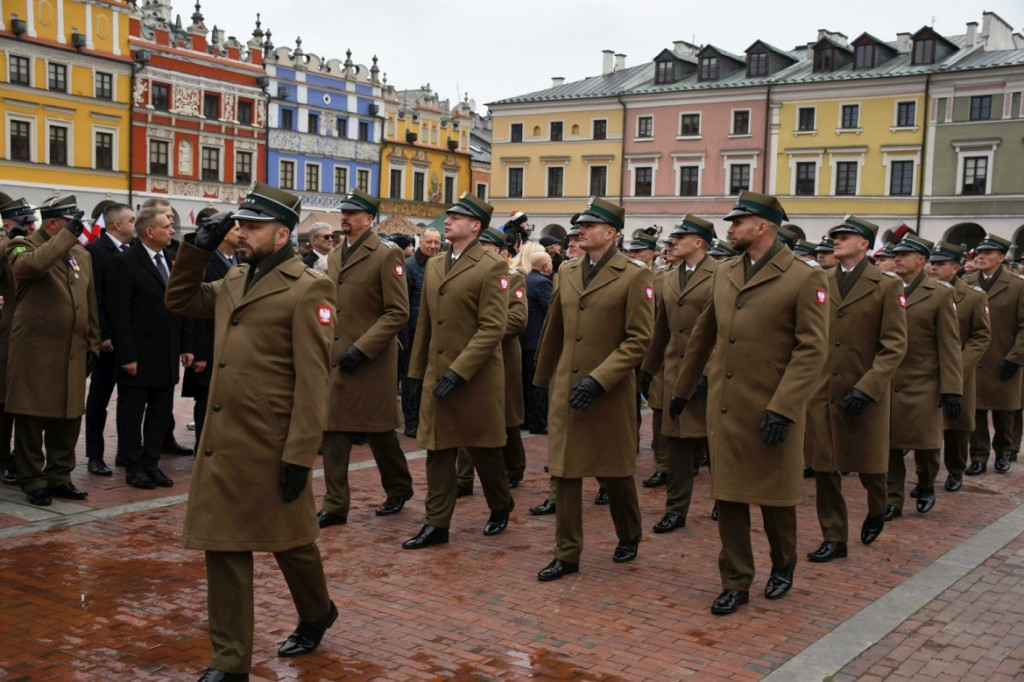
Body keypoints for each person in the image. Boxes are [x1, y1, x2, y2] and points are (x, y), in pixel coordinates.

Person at [165, 182, 337, 681]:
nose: (241, 232)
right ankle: (230, 661)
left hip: (272, 441)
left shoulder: (309, 288)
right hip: (224, 439)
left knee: (292, 542)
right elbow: (179, 299)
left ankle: (318, 611)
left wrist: (300, 454)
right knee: (223, 545)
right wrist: (198, 247)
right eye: (239, 224)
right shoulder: (234, 279)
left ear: (282, 233)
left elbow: (313, 379)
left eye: (252, 226)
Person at [672, 190, 828, 614]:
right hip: (726, 406)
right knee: (730, 497)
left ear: (761, 226)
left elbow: (812, 349)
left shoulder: (803, 276)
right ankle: (736, 579)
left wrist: (784, 405)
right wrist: (682, 391)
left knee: (776, 498)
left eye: (738, 222)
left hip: (772, 407)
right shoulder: (724, 273)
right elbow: (705, 334)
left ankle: (783, 563)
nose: (730, 229)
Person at [533, 197, 654, 581]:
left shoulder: (635, 276)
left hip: (609, 393)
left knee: (615, 472)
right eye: (579, 226)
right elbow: (555, 331)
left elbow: (638, 340)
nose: (580, 231)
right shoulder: (567, 272)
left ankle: (630, 533)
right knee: (565, 472)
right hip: (567, 389)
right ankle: (567, 553)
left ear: (611, 233)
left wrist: (599, 379)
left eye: (589, 225)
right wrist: (543, 380)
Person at [403, 193, 514, 549]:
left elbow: (492, 328)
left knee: (483, 449)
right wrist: (416, 371)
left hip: (475, 377)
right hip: (438, 374)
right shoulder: (436, 265)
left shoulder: (491, 266)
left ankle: (500, 504)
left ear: (475, 226)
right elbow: (425, 323)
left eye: (456, 217)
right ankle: (437, 523)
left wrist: (459, 370)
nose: (447, 221)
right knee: (438, 449)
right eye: (448, 215)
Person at [803, 216, 907, 562]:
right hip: (822, 390)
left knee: (871, 466)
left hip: (864, 390)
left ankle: (879, 507)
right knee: (825, 466)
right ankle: (834, 536)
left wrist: (868, 387)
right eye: (835, 235)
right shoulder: (820, 280)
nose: (836, 240)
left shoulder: (887, 285)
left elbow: (894, 345)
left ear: (864, 244)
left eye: (844, 236)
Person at [318, 188, 414, 528]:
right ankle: (335, 504)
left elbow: (397, 312)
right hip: (336, 356)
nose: (344, 217)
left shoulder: (386, 255)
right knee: (333, 428)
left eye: (352, 212)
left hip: (372, 359)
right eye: (343, 211)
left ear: (368, 219)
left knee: (380, 430)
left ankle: (399, 486)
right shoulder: (334, 254)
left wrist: (363, 347)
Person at [6, 195, 100, 506]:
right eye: (70, 223)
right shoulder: (21, 246)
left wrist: (93, 344)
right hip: (36, 352)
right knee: (32, 420)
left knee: (69, 416)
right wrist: (66, 238)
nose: (77, 229)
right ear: (51, 223)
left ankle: (60, 476)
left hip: (72, 350)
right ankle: (32, 479)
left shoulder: (80, 255)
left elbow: (89, 302)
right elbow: (31, 267)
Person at [107, 206, 193, 489]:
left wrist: (185, 345)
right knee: (131, 414)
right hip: (138, 356)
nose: (172, 230)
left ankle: (151, 463)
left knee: (160, 413)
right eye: (166, 226)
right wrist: (127, 355)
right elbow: (119, 314)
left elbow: (178, 306)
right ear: (149, 231)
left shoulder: (170, 258)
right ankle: (133, 466)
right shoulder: (126, 262)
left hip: (166, 353)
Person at [642, 215, 718, 534]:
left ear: (698, 242)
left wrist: (708, 372)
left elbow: (726, 330)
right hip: (674, 372)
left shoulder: (723, 274)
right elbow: (661, 328)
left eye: (680, 238)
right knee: (677, 448)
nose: (672, 244)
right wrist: (648, 369)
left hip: (709, 378)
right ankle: (676, 509)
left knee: (716, 447)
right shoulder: (668, 278)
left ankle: (724, 502)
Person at [885, 234, 962, 520]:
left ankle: (927, 483)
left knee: (926, 445)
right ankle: (892, 499)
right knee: (890, 445)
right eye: (897, 254)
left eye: (904, 255)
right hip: (890, 380)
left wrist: (952, 388)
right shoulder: (887, 287)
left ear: (921, 260)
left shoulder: (940, 293)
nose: (897, 258)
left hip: (924, 382)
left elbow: (950, 344)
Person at [456, 226, 529, 492]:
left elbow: (518, 321)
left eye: (485, 246)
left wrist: (487, 331)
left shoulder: (513, 279)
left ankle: (514, 467)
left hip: (502, 356)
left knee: (506, 419)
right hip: (469, 354)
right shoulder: (467, 274)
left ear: (500, 252)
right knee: (467, 418)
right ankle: (463, 479)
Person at [928, 241, 990, 493]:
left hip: (959, 372)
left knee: (956, 426)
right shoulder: (923, 291)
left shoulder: (974, 296)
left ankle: (955, 470)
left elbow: (981, 335)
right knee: (927, 425)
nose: (933, 268)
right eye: (932, 263)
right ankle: (926, 477)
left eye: (940, 264)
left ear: (955, 267)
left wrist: (958, 366)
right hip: (927, 369)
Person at [963, 234, 1024, 475]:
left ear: (1001, 258)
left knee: (1004, 411)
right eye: (980, 252)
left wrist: (1015, 357)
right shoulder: (967, 283)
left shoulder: (1017, 286)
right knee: (975, 411)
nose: (981, 256)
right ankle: (978, 456)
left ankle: (1003, 452)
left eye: (988, 253)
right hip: (975, 358)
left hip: (1004, 356)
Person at [83, 202, 137, 476]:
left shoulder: (132, 251)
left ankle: (126, 453)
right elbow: (95, 297)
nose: (135, 224)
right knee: (98, 401)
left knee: (129, 400)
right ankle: (95, 455)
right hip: (106, 342)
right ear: (117, 225)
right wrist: (103, 335)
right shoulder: (94, 251)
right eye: (131, 220)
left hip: (129, 340)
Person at [181, 215, 239, 447]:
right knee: (206, 399)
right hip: (209, 343)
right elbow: (194, 310)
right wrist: (199, 351)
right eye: (237, 229)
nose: (241, 233)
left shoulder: (240, 259)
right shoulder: (206, 262)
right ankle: (202, 445)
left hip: (231, 344)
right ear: (224, 234)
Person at [0, 196, 34, 484]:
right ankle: (2, 457)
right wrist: (10, 237)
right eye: (26, 222)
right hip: (7, 333)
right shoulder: (8, 245)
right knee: (3, 400)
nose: (31, 227)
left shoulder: (33, 246)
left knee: (21, 400)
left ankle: (20, 457)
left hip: (29, 335)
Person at [400, 228, 442, 438]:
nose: (433, 246)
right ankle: (411, 421)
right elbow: (404, 305)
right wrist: (405, 338)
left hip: (434, 333)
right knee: (411, 379)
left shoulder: (442, 266)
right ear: (420, 244)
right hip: (414, 333)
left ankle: (425, 418)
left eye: (437, 242)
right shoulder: (409, 266)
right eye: (429, 242)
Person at [521, 250, 553, 435]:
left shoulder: (526, 280)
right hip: (536, 341)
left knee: (526, 383)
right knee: (538, 384)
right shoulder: (542, 283)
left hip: (525, 340)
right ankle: (538, 422)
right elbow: (551, 309)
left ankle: (527, 418)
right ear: (545, 266)